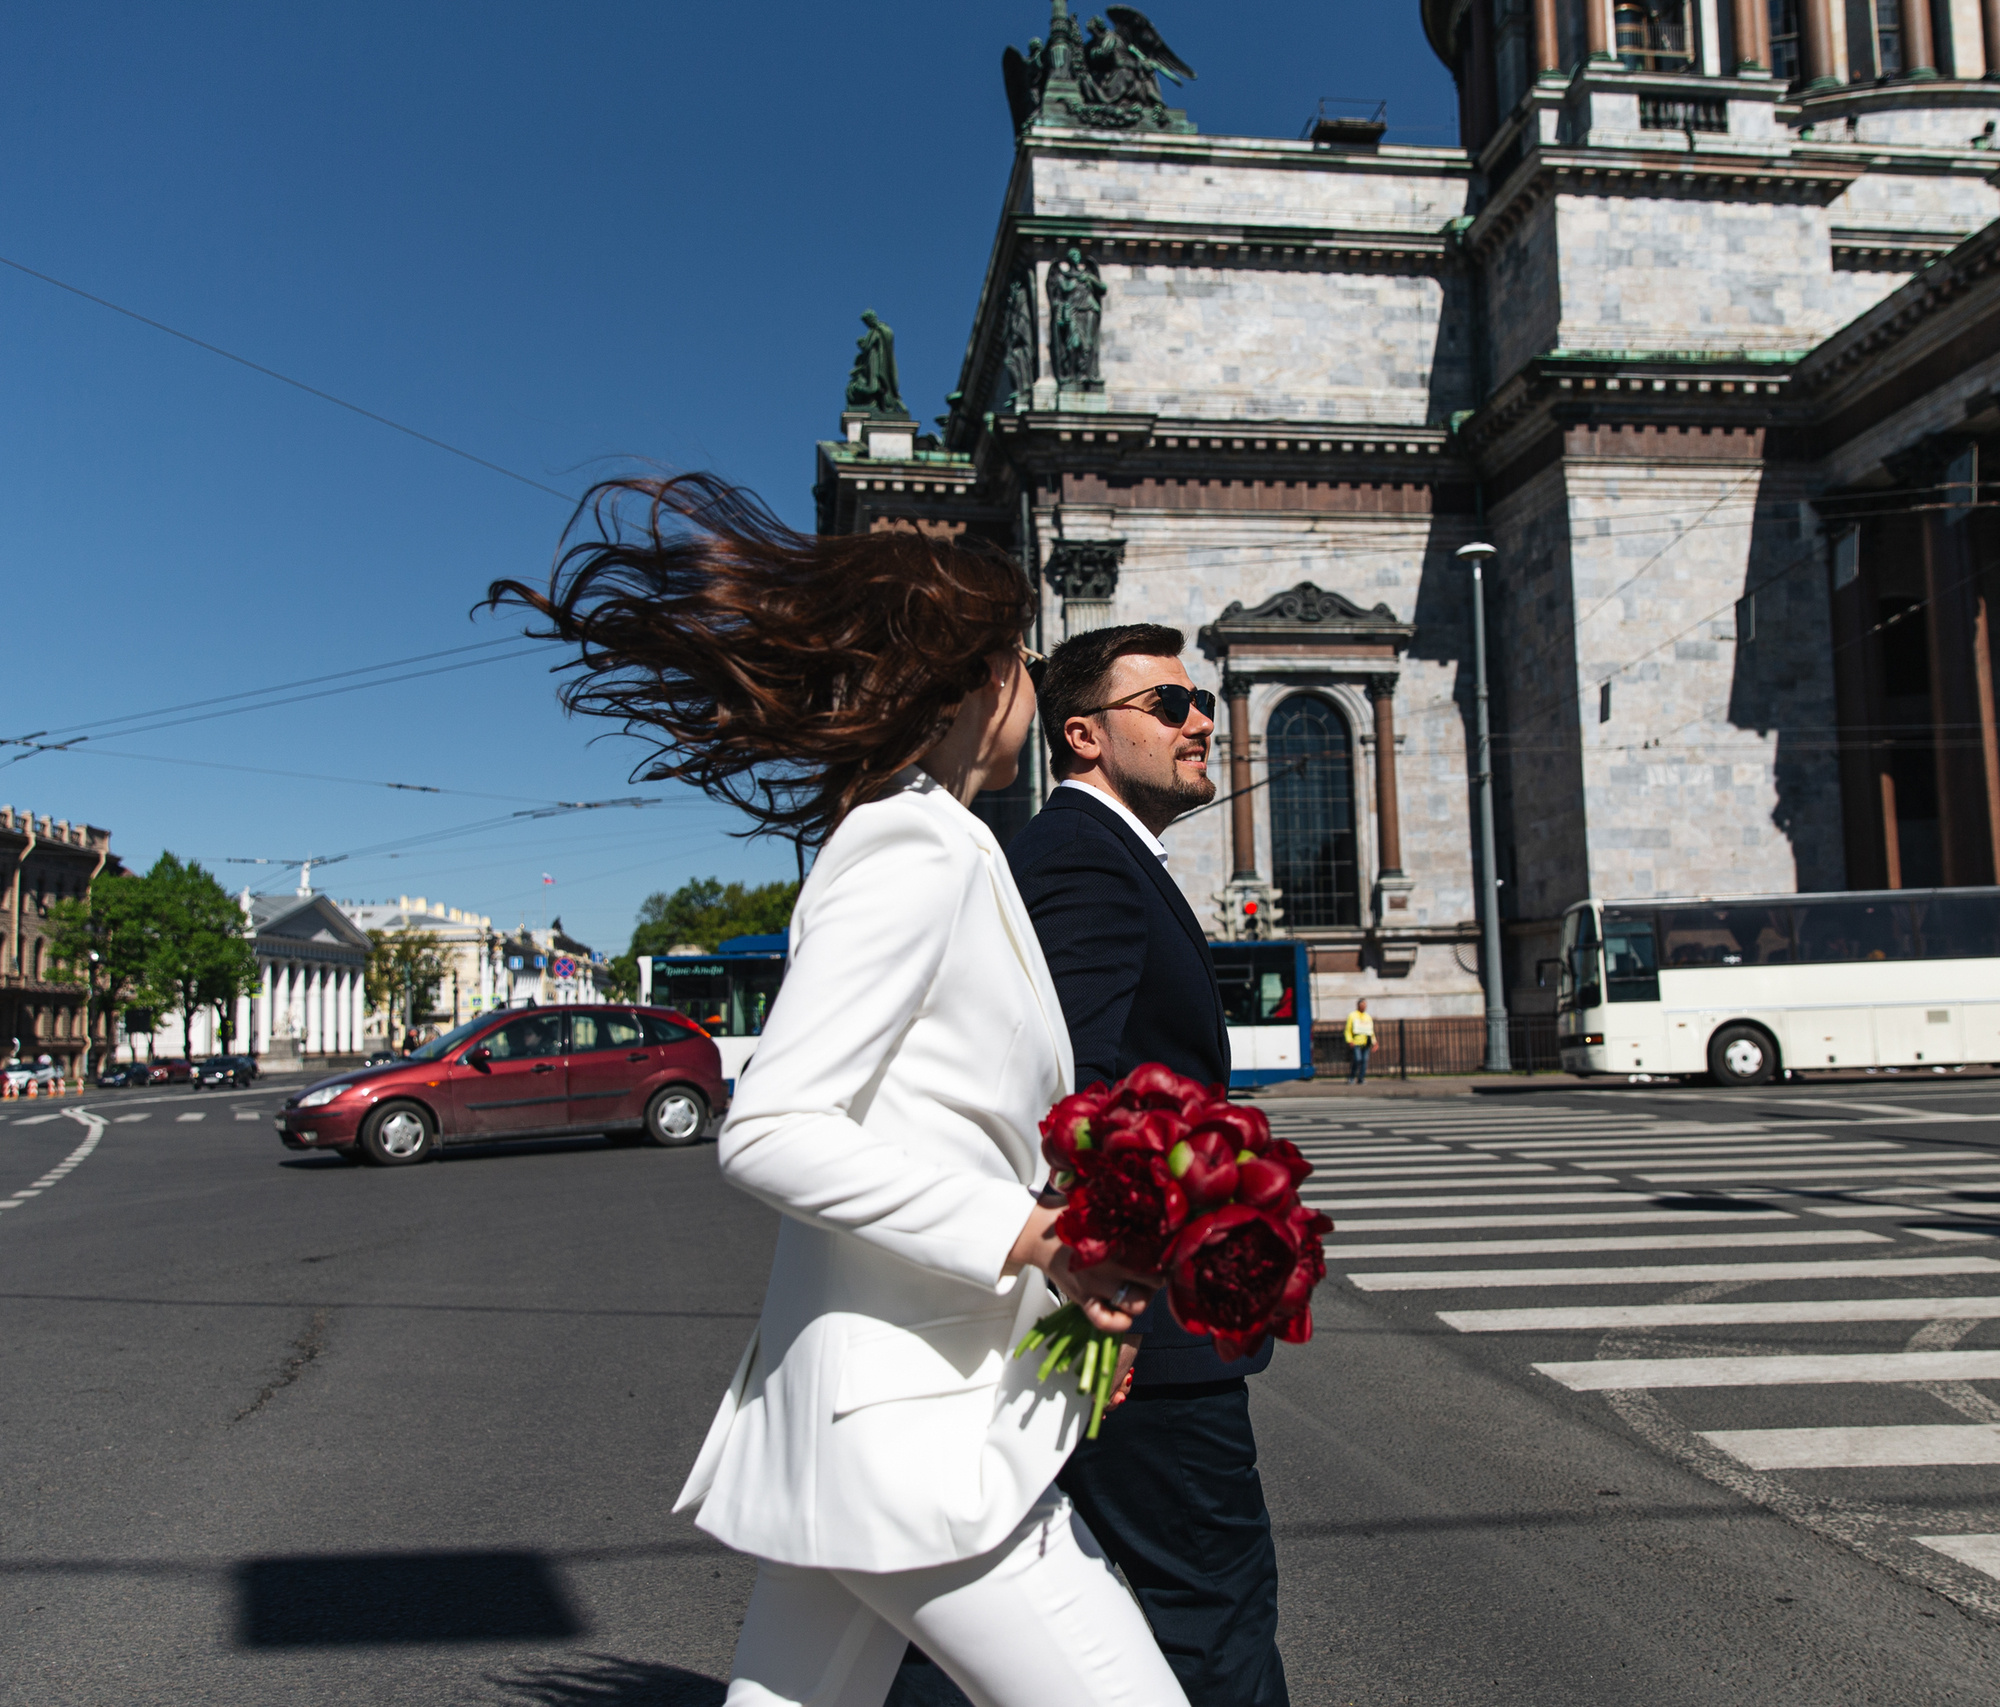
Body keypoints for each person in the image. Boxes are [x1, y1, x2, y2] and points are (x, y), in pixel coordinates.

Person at [489, 476, 1184, 1707]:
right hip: (918, 1432)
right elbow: (773, 1132)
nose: (1025, 679)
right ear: (973, 677)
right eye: (1017, 656)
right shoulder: (910, 844)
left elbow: (943, 1123)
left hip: (879, 1411)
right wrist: (1035, 1236)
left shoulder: (937, 839)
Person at [1000, 624, 1291, 1707]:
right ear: (1083, 734)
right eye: (1168, 705)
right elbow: (1075, 1089)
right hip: (1138, 1322)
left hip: (1124, 1306)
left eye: (1202, 699)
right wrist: (1110, 1296)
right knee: (1211, 1611)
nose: (1201, 720)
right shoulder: (1082, 852)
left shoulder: (1099, 851)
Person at [1343, 998, 1375, 1085]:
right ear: (1358, 1005)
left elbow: (1371, 1031)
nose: (1364, 1007)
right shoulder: (1352, 1015)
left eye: (1365, 1005)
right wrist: (1349, 1040)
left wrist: (1374, 1042)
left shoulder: (1367, 1016)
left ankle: (1361, 1078)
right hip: (1356, 1042)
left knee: (1364, 1060)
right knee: (1357, 1059)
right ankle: (1352, 1077)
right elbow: (1348, 1029)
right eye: (1362, 1005)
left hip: (1366, 1042)